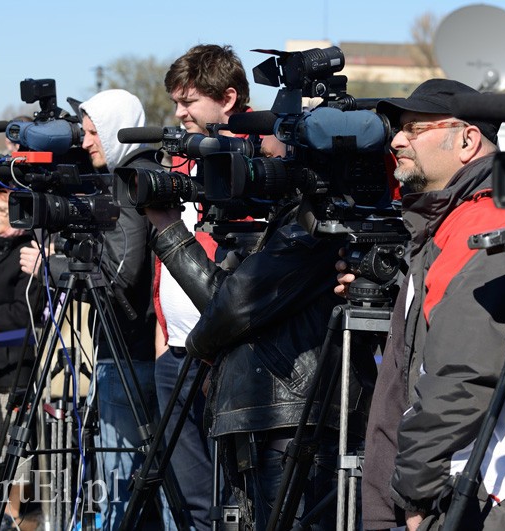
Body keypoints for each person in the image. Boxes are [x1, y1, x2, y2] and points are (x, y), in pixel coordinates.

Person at [144, 106, 375, 530]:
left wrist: (169, 230)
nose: (257, 150)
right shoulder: (296, 215)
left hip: (292, 418)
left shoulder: (315, 222)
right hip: (281, 412)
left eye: (269, 139)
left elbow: (231, 304)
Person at [343, 79, 505, 530]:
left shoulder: (489, 221)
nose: (396, 140)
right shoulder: (450, 220)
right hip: (461, 485)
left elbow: (463, 373)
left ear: (467, 139)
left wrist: (416, 492)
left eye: (414, 129)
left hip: (482, 490)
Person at [19, 89, 162, 530]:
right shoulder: (129, 175)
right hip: (127, 349)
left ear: (119, 129)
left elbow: (121, 273)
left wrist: (54, 265)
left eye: (94, 132)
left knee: (121, 478)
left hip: (129, 352)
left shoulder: (133, 179)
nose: (84, 142)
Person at [150, 43, 253, 531]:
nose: (178, 113)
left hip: (232, 356)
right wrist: (162, 329)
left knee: (238, 499)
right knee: (190, 502)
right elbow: (168, 249)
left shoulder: (259, 158)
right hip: (174, 353)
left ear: (227, 98)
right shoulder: (182, 159)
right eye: (175, 102)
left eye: (188, 101)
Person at [0, 187, 40, 529]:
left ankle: (17, 519)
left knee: (10, 457)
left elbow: (23, 312)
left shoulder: (30, 252)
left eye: (3, 212)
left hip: (13, 366)